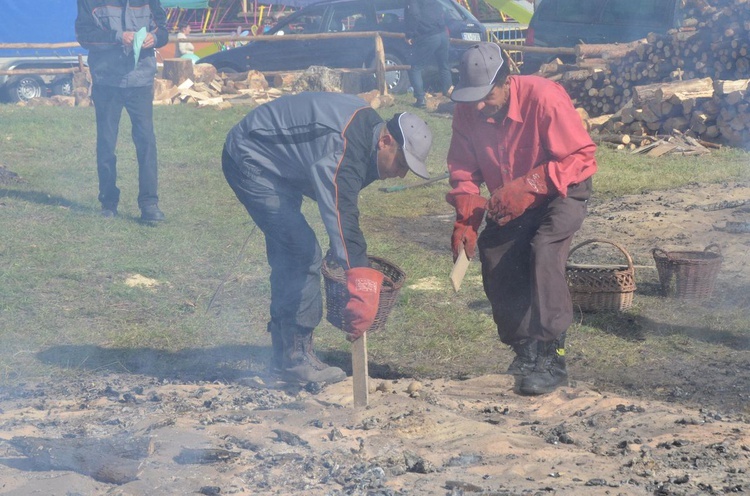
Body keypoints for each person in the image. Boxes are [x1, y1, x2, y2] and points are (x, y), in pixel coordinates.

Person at [222, 92, 433, 384]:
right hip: (251, 157)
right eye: (401, 164)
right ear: (386, 141)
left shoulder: (367, 138)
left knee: (291, 251)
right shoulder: (346, 145)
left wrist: (348, 257)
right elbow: (341, 211)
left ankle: (284, 357)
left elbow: (339, 199)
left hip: (279, 162)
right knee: (300, 252)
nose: (400, 175)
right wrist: (359, 277)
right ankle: (295, 360)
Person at [446, 42, 597, 395]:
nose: (479, 107)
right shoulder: (468, 109)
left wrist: (532, 183)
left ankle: (552, 354)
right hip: (511, 200)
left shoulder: (544, 97)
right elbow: (464, 172)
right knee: (495, 250)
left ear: (507, 81)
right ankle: (525, 348)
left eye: (486, 97)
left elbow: (581, 157)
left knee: (543, 250)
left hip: (562, 190)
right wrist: (467, 219)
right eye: (472, 100)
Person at [75, 0, 168, 221]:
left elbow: (163, 31)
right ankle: (108, 202)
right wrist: (118, 36)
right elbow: (84, 35)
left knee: (146, 142)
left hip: (141, 81)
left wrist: (154, 38)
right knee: (106, 143)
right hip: (107, 81)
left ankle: (149, 204)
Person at [404, 0, 452, 108]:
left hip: (428, 35)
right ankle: (449, 96)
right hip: (443, 33)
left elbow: (414, 14)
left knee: (415, 67)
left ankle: (420, 99)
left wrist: (409, 34)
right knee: (444, 66)